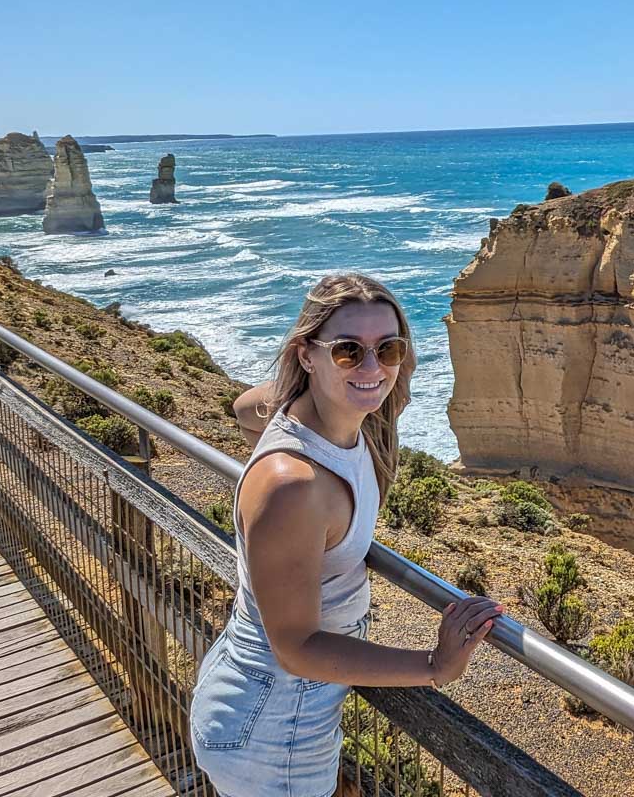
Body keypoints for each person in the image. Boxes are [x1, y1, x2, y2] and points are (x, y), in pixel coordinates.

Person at [190, 273, 502, 797]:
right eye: (347, 352)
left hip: (273, 708)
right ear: (305, 354)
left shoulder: (344, 419)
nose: (373, 367)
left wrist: (339, 380)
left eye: (389, 348)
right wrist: (434, 666)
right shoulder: (293, 487)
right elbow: (297, 648)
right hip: (272, 727)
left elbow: (245, 406)